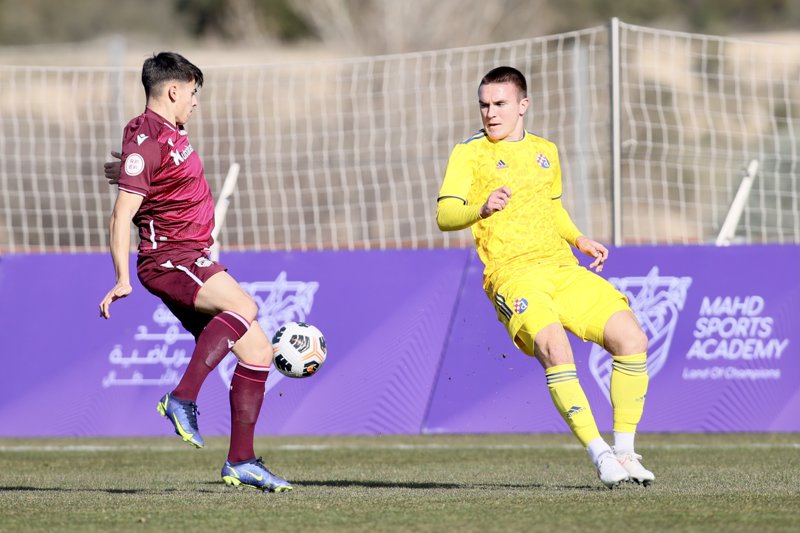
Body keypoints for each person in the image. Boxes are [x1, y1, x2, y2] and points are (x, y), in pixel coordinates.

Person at [436, 66, 654, 489]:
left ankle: (625, 452)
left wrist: (578, 238)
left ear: (523, 105)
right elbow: (445, 215)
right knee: (556, 348)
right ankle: (600, 454)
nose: (490, 113)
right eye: (484, 105)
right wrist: (481, 208)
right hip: (513, 276)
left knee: (632, 339)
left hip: (561, 268)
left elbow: (552, 207)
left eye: (500, 104)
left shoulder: (546, 151)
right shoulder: (468, 153)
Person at [99, 52, 292, 493]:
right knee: (245, 306)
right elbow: (120, 215)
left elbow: (152, 172)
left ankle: (241, 461)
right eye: (192, 92)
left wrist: (131, 170)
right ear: (172, 90)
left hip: (191, 255)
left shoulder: (164, 133)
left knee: (258, 352)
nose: (195, 101)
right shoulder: (148, 137)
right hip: (171, 258)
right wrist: (122, 277)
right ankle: (181, 397)